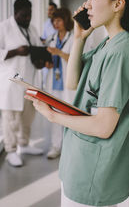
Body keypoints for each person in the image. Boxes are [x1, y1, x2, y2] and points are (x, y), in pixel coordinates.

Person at [25, 0, 129, 206]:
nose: (87, 5)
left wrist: (52, 116)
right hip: (78, 164)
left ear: (118, 3)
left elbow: (103, 126)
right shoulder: (106, 46)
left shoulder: (122, 53)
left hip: (95, 176)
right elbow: (73, 83)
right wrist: (79, 38)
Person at [0, 0, 43, 167]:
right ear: (15, 13)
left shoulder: (31, 29)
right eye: (24, 15)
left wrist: (40, 60)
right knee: (10, 119)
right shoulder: (1, 29)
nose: (27, 18)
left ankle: (24, 145)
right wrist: (15, 52)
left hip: (28, 82)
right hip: (10, 84)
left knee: (28, 117)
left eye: (30, 15)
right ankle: (11, 151)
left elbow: (36, 50)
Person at [44, 8, 75, 159]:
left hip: (68, 83)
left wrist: (59, 53)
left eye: (58, 20)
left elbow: (77, 60)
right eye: (53, 21)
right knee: (54, 114)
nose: (55, 23)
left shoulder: (74, 38)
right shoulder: (51, 38)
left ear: (65, 20)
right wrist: (48, 63)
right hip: (55, 82)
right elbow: (48, 59)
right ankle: (55, 146)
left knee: (70, 116)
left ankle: (70, 149)